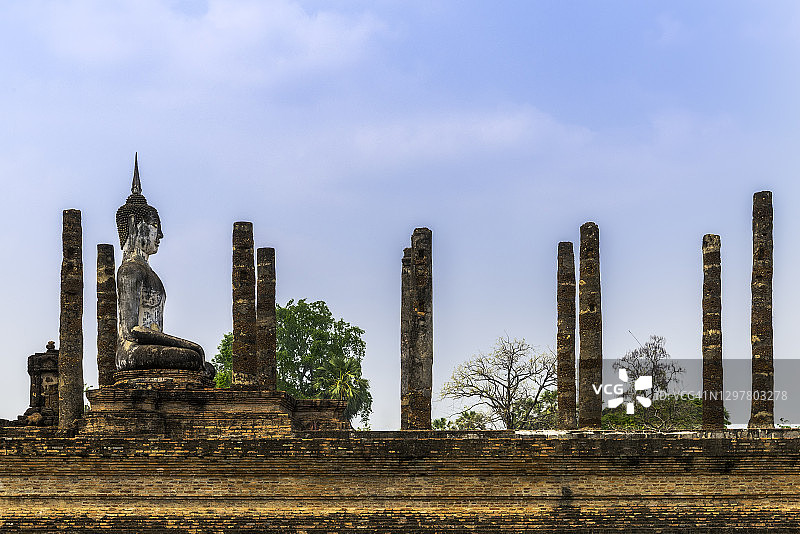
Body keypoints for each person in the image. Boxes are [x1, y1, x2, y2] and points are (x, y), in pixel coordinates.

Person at [115, 155, 214, 378]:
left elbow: (154, 329)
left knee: (199, 361)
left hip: (150, 348)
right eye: (154, 226)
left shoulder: (152, 275)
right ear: (135, 225)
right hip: (131, 352)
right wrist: (190, 346)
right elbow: (133, 331)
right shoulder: (129, 271)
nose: (160, 235)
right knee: (192, 357)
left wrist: (187, 345)